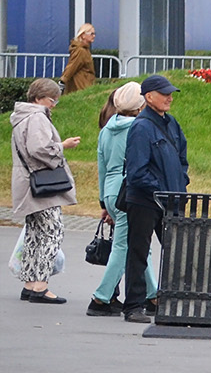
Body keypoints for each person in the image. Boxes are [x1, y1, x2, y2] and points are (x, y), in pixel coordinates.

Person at [121, 74, 189, 323]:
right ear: (149, 97)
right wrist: (163, 189)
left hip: (169, 199)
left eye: (171, 92)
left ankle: (166, 300)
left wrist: (180, 182)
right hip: (145, 200)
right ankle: (133, 306)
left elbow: (182, 157)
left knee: (174, 251)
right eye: (164, 93)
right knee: (139, 252)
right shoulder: (140, 126)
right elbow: (137, 171)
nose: (170, 97)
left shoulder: (171, 123)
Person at [87, 82, 156, 316]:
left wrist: (103, 203)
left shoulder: (107, 129)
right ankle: (101, 297)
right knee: (125, 246)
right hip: (129, 190)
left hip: (110, 189)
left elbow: (102, 166)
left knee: (136, 244)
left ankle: (153, 293)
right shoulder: (138, 128)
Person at [11, 78, 81, 305]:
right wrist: (63, 146)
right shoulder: (37, 117)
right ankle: (40, 286)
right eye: (53, 100)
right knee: (53, 232)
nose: (54, 105)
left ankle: (30, 283)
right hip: (42, 187)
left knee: (34, 234)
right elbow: (39, 149)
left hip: (27, 183)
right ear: (39, 98)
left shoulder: (22, 116)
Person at [61, 23, 97, 94]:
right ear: (83, 35)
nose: (94, 36)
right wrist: (62, 81)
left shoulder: (84, 49)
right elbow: (72, 66)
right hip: (81, 85)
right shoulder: (80, 51)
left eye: (94, 33)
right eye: (91, 34)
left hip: (84, 83)